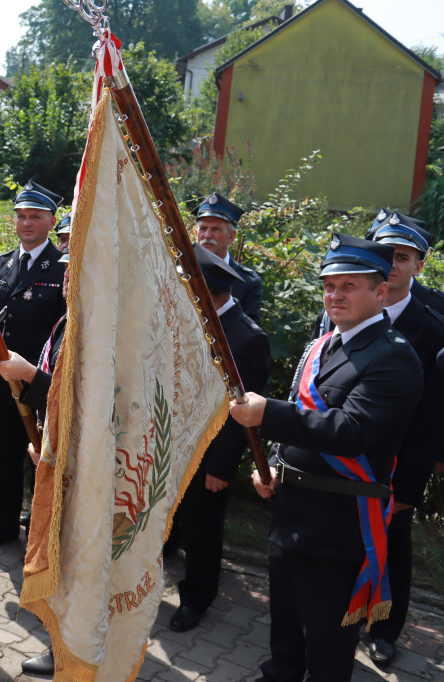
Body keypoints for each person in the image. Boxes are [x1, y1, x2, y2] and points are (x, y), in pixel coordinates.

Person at [229, 233, 422, 681]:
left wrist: (266, 414)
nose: (335, 295)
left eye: (349, 286)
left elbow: (351, 431)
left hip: (341, 522)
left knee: (329, 641)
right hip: (292, 512)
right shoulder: (324, 344)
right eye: (330, 285)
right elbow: (304, 409)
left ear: (379, 291)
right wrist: (275, 465)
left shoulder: (394, 358)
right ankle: (281, 672)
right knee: (285, 626)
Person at [167, 244, 270, 633]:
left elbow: (245, 416)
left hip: (210, 455)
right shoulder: (197, 318)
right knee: (174, 515)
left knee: (203, 528)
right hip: (176, 443)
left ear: (204, 289)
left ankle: (197, 596)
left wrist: (221, 466)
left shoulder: (246, 338)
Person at [356, 215, 444, 667]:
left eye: (404, 258)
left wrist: (410, 483)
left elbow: (433, 415)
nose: (392, 264)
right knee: (345, 539)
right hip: (346, 454)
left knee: (393, 542)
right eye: (387, 254)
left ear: (418, 266)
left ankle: (385, 628)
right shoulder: (351, 303)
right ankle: (344, 617)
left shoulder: (434, 324)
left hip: (397, 463)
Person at [0, 181, 66, 552]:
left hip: (42, 384)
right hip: (1, 385)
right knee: (1, 455)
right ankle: (3, 525)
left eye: (35, 217)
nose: (26, 223)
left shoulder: (63, 268)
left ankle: (42, 531)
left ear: (51, 221)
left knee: (41, 461)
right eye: (21, 216)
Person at [0, 248, 71, 678]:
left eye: (72, 269)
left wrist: (29, 376)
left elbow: (83, 399)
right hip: (56, 448)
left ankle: (70, 647)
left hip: (78, 459)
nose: (64, 278)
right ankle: (64, 639)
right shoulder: (70, 319)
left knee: (71, 554)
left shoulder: (95, 326)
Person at [193, 192, 263, 324]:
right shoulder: (178, 272)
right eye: (203, 228)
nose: (207, 235)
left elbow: (247, 337)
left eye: (216, 229)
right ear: (196, 233)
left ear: (231, 237)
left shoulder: (247, 283)